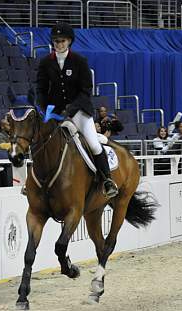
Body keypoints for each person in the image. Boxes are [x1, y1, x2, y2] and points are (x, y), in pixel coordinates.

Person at [36, 22, 117, 198]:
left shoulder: (79, 61)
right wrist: (45, 109)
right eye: (56, 41)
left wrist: (70, 110)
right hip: (55, 112)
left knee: (94, 145)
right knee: (41, 143)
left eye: (62, 40)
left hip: (79, 111)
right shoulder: (45, 63)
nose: (59, 44)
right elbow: (41, 90)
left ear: (69, 41)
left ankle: (107, 180)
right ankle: (34, 183)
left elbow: (86, 89)